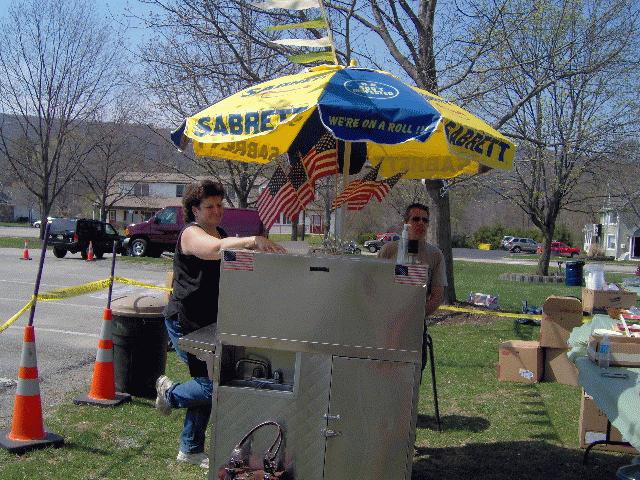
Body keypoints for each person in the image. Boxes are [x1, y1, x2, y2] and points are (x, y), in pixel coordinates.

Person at [156, 180, 285, 469]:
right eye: (209, 206)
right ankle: (170, 393)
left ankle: (189, 449)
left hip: (211, 322)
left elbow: (235, 264)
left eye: (220, 205)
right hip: (185, 321)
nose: (217, 211)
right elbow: (214, 250)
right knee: (212, 385)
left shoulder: (222, 233)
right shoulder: (191, 235)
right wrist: (250, 240)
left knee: (207, 380)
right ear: (194, 209)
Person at [378, 202, 446, 372]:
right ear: (405, 223)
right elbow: (373, 285)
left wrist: (412, 317)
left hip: (414, 329)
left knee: (410, 378)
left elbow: (437, 296)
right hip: (384, 326)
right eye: (416, 219)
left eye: (425, 220)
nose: (421, 223)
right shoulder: (388, 251)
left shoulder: (435, 255)